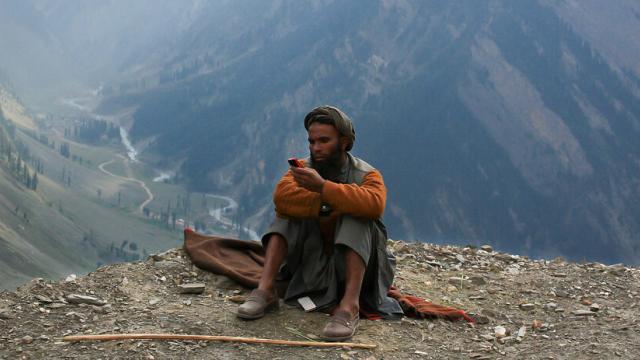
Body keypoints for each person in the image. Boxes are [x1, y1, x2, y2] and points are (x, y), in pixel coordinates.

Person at [237, 105, 401, 341]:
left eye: (324, 141)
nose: (316, 148)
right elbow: (282, 198)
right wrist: (334, 202)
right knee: (287, 216)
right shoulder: (303, 169)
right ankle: (266, 290)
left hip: (355, 270)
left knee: (358, 215)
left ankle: (349, 307)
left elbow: (374, 204)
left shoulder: (367, 175)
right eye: (312, 141)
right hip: (314, 263)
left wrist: (323, 188)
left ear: (344, 142)